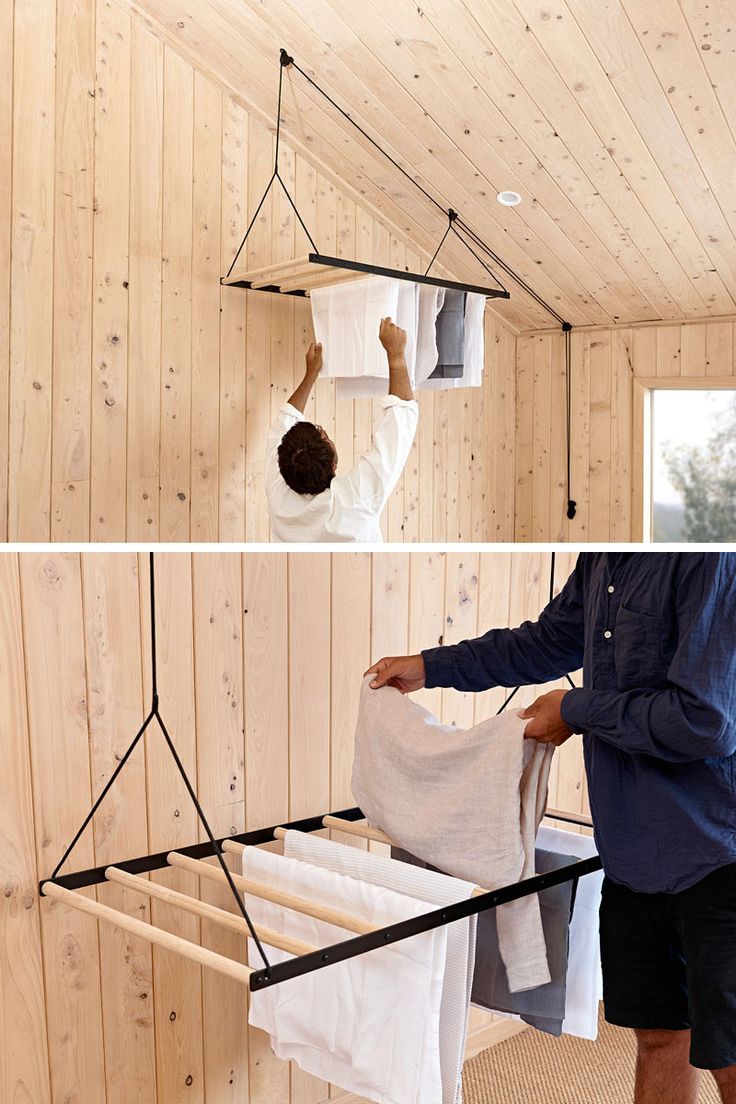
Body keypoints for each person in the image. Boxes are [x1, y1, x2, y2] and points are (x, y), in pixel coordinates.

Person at [366, 553, 736, 1104]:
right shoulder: (605, 556)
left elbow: (706, 722)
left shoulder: (710, 557)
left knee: (729, 1060)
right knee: (659, 1038)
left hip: (716, 854)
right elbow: (544, 641)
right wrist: (430, 665)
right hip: (631, 855)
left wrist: (578, 709)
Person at [264, 317, 418, 542]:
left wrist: (310, 375)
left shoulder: (279, 496)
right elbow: (400, 422)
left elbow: (285, 420)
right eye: (324, 435)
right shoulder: (354, 501)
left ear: (282, 466)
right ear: (333, 464)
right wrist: (395, 355)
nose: (324, 431)